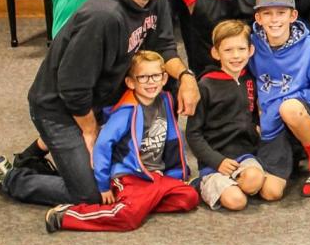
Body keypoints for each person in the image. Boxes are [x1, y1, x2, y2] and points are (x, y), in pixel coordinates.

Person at [0, 0, 201, 208]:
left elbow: (164, 46)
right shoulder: (104, 16)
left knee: (168, 85)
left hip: (100, 94)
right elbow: (72, 87)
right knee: (90, 194)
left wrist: (186, 77)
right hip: (58, 106)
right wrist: (90, 132)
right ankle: (11, 177)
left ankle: (38, 151)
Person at [43, 50, 198, 233]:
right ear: (130, 82)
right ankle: (66, 215)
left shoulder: (165, 100)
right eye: (143, 77)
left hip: (156, 175)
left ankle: (141, 203)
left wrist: (177, 173)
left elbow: (172, 140)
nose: (151, 82)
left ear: (164, 78)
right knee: (129, 218)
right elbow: (102, 145)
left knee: (189, 197)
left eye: (155, 76)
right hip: (130, 176)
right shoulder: (126, 111)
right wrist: (102, 184)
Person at [249, 0, 310, 198]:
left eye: (281, 12)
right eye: (267, 14)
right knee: (270, 193)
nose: (274, 19)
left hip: (302, 113)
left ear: (293, 15)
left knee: (288, 108)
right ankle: (291, 158)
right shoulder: (251, 46)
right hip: (270, 121)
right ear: (258, 18)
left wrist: (287, 100)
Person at [185, 20, 265, 211]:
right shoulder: (205, 86)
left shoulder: (250, 79)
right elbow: (193, 134)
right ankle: (202, 184)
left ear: (250, 50)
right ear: (215, 53)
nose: (236, 56)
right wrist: (216, 161)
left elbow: (252, 117)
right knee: (237, 202)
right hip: (215, 161)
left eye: (241, 49)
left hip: (245, 157)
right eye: (228, 50)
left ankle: (234, 183)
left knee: (254, 180)